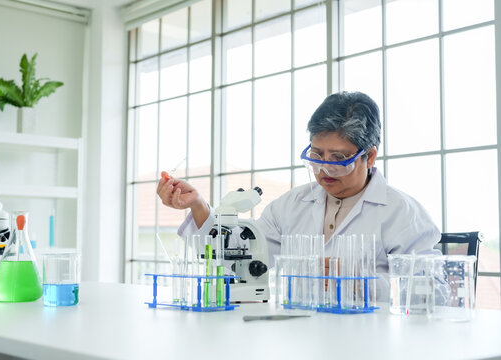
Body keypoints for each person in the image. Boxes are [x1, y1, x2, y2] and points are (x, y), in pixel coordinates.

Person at [156, 91, 441, 301]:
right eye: (316, 155)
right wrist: (198, 206)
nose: (324, 169)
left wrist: (361, 280)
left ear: (369, 156)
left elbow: (436, 293)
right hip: (298, 334)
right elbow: (242, 261)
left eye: (338, 158)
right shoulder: (290, 206)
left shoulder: (402, 213)